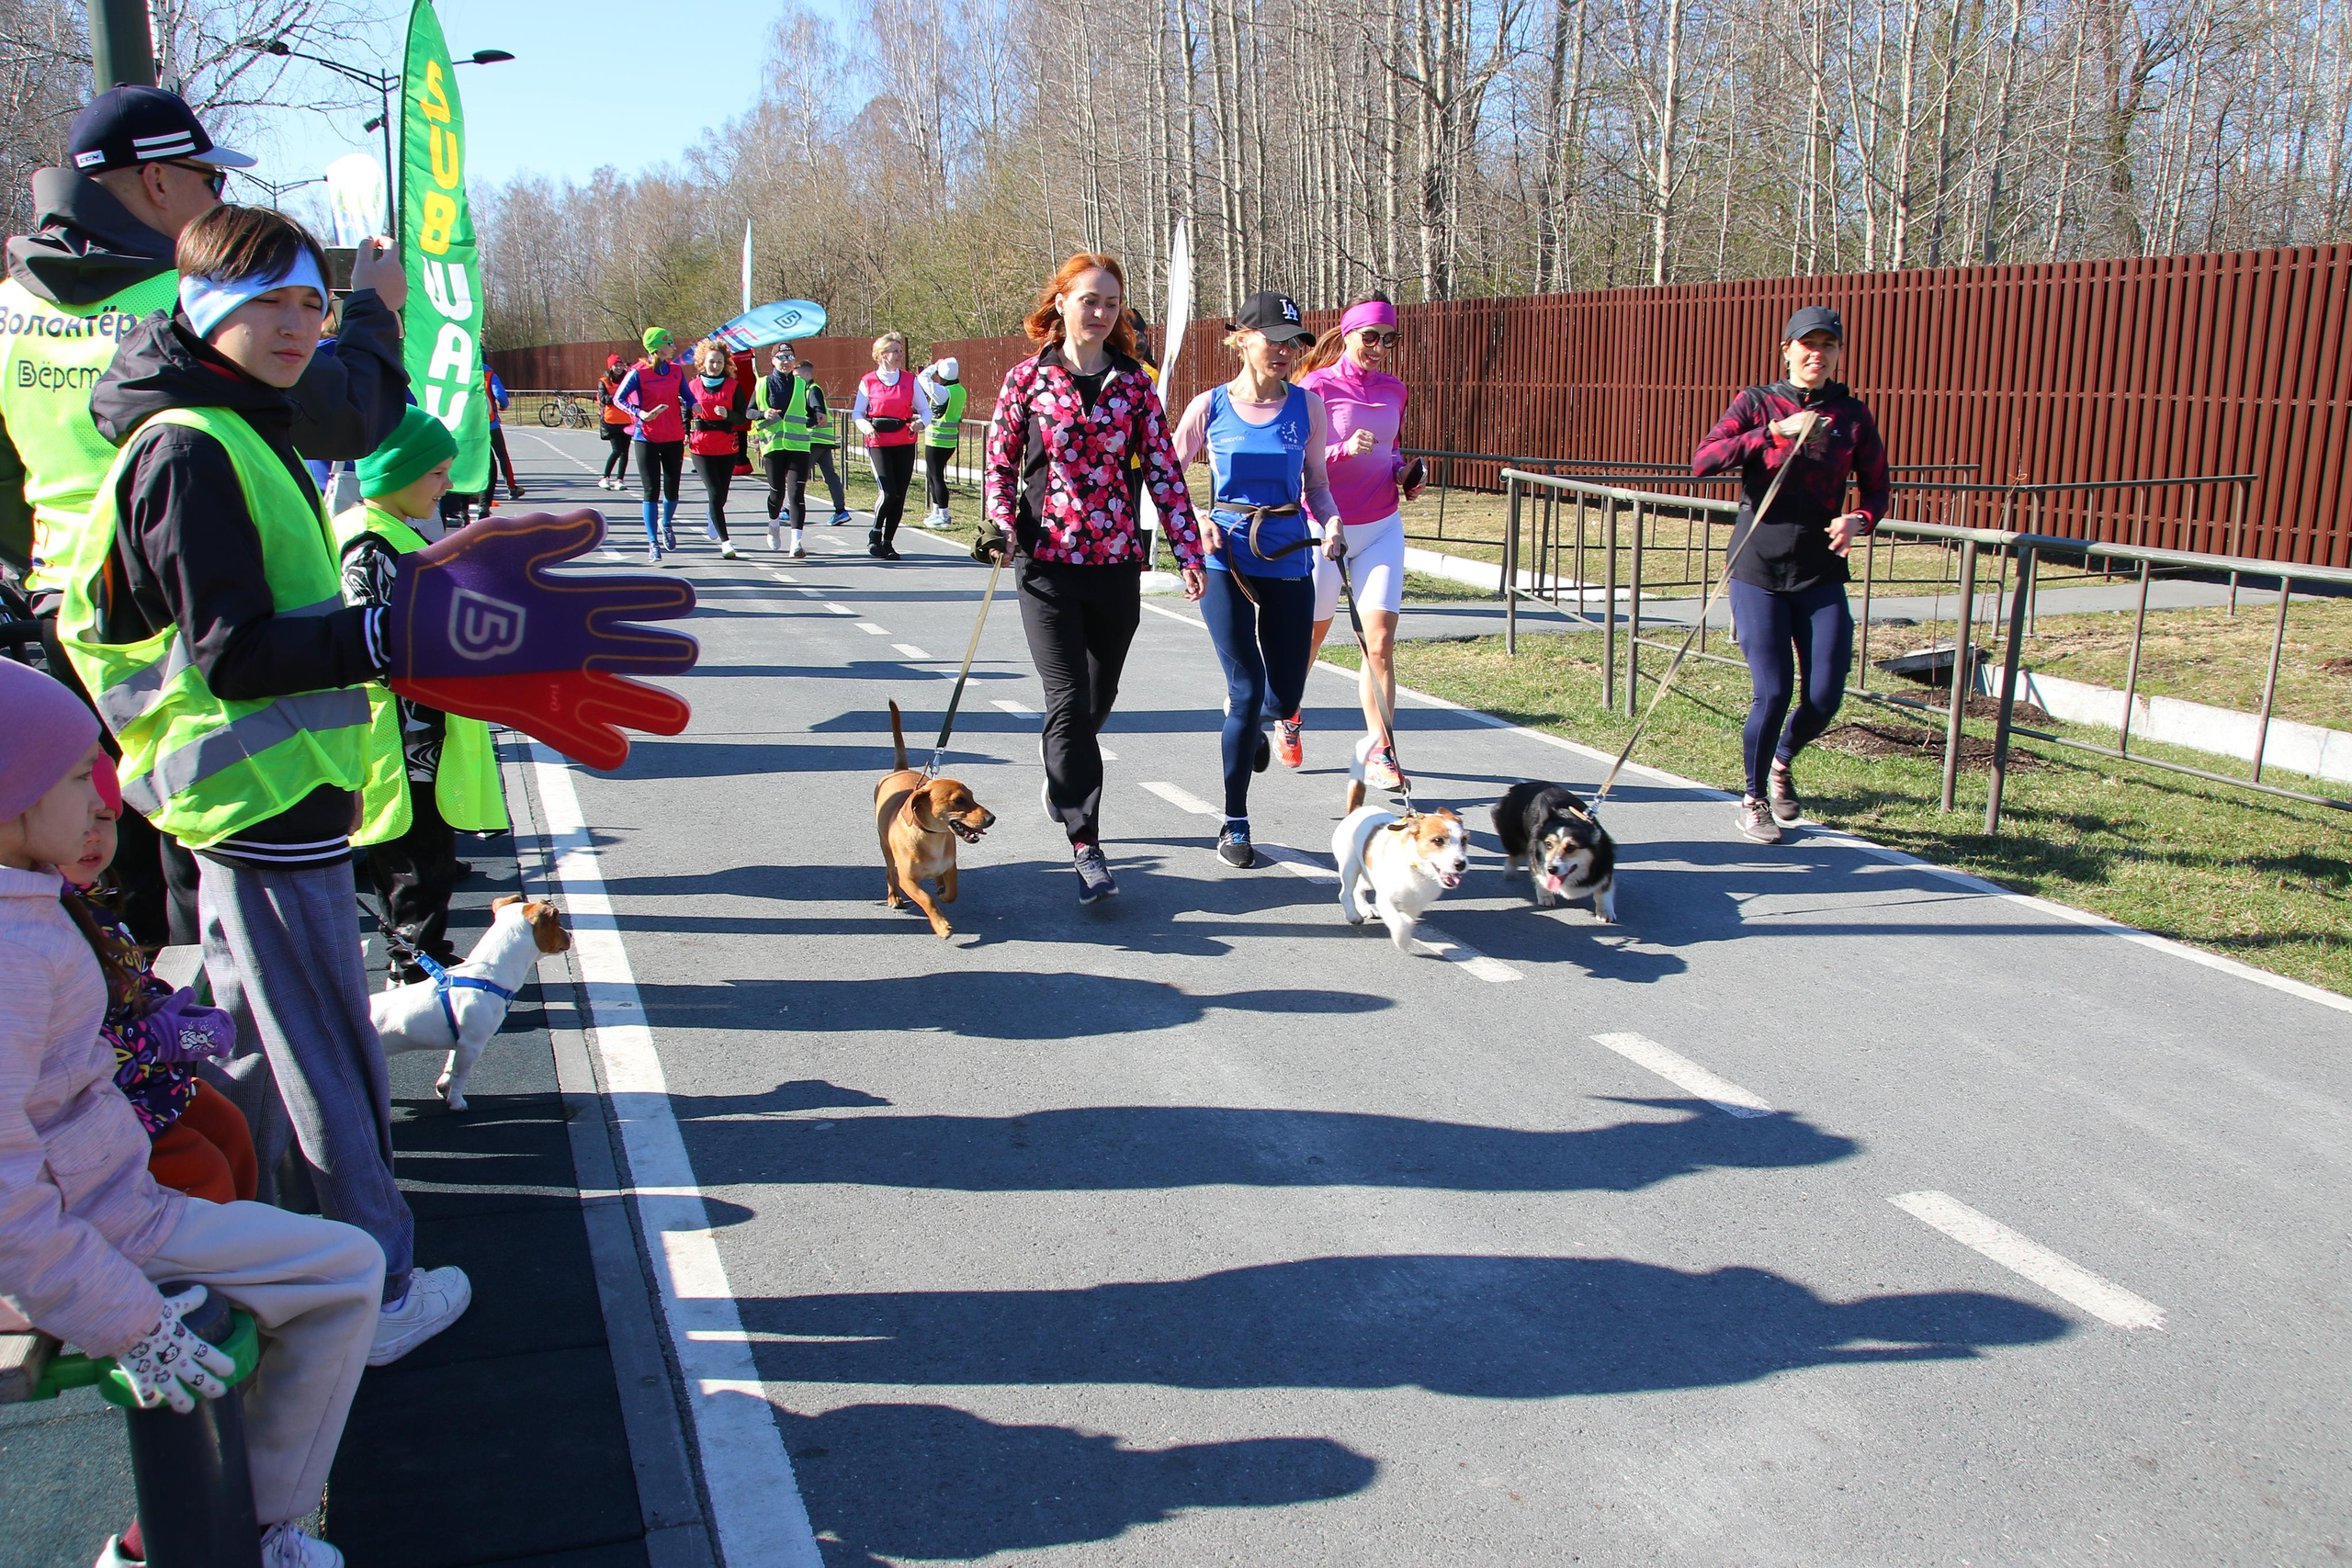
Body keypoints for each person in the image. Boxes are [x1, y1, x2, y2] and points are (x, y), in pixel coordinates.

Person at [55, 203, 471, 1366]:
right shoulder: (194, 445)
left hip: (258, 795)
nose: (298, 325)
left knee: (250, 1037)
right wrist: (387, 638)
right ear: (204, 310)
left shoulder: (228, 425)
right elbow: (235, 654)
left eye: (310, 303)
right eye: (268, 302)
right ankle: (372, 1294)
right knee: (321, 1051)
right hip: (258, 795)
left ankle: (269, 1254)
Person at [1, 84, 408, 950]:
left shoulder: (11, 304)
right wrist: (371, 309)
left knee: (87, 859)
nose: (218, 201)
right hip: (199, 616)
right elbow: (350, 414)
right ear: (156, 184)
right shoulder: (195, 290)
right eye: (207, 180)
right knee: (211, 873)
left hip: (69, 614)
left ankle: (117, 1041)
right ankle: (195, 1055)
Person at [0, 657, 383, 1568]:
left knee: (313, 1255)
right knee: (347, 1272)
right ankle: (241, 1529)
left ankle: (196, 1530)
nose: (100, 801)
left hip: (100, 1204)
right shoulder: (12, 951)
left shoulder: (28, 907)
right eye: (71, 777)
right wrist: (126, 1320)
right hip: (97, 1230)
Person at [977, 252, 1206, 904]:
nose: (1101, 313)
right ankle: (1086, 842)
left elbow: (1164, 471)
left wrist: (1188, 550)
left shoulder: (1135, 385)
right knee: (1068, 699)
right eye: (1089, 300)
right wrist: (1000, 525)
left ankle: (1062, 771)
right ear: (1061, 304)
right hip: (1045, 563)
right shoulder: (1027, 380)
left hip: (1113, 565)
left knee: (1096, 702)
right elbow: (998, 465)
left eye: (1111, 303)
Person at [1690, 304, 1888, 844]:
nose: (1816, 355)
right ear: (1787, 349)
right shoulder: (1757, 403)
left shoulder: (1852, 415)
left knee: (1825, 694)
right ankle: (1754, 799)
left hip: (1820, 572)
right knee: (1772, 691)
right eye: (1807, 344)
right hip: (1758, 568)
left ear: (1838, 354)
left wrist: (1859, 520)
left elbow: (1877, 488)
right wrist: (1774, 431)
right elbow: (1704, 460)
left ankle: (1782, 759)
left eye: (1828, 346)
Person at [334, 407, 511, 980]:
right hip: (401, 735)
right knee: (415, 860)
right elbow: (373, 642)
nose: (446, 486)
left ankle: (425, 954)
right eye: (436, 474)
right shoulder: (370, 545)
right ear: (397, 473)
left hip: (414, 732)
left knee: (428, 856)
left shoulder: (389, 533)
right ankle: (415, 970)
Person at [1170, 291, 1340, 867]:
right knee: (1244, 692)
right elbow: (1166, 480)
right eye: (1275, 340)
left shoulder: (1308, 407)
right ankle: (1235, 822)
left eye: (1295, 343)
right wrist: (1196, 523)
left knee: (1285, 693)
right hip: (1226, 556)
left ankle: (1257, 726)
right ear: (1241, 339)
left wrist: (1333, 520)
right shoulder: (1209, 407)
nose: (1287, 353)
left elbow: (1316, 482)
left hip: (1291, 552)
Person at [1295, 293, 1424, 782]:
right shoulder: (1315, 387)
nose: (1379, 347)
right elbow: (1298, 461)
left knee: (1381, 642)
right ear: (1348, 334)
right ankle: (1289, 712)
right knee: (1311, 637)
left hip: (1381, 526)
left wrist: (1405, 473)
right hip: (1325, 526)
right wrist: (1342, 449)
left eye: (1388, 339)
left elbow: (1392, 451)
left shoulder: (1395, 389)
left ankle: (1381, 749)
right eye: (1370, 337)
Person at [616, 327, 687, 563]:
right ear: (656, 348)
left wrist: (695, 404)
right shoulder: (638, 372)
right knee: (651, 491)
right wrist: (640, 413)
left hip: (673, 436)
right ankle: (652, 542)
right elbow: (619, 399)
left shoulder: (676, 371)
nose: (674, 347)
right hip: (645, 437)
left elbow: (687, 394)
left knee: (672, 490)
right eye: (669, 343)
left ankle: (666, 523)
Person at [854, 331, 928, 560]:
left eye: (900, 351)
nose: (900, 355)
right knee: (888, 492)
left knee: (900, 494)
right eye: (895, 351)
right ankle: (875, 534)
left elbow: (925, 410)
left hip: (904, 442)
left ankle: (888, 542)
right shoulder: (868, 381)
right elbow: (857, 413)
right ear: (882, 355)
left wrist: (920, 423)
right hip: (878, 443)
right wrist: (867, 427)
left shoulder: (909, 380)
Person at [684, 339, 746, 559]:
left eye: (719, 361)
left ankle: (713, 512)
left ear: (725, 363)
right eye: (711, 361)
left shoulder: (733, 385)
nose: (715, 365)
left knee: (722, 494)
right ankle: (726, 542)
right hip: (701, 445)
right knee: (714, 491)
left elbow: (743, 415)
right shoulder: (692, 385)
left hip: (726, 445)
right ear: (703, 362)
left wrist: (728, 415)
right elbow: (684, 412)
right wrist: (685, 430)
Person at [753, 344, 813, 557]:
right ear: (773, 360)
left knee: (797, 493)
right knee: (776, 492)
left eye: (790, 357)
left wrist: (817, 417)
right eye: (781, 357)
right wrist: (763, 413)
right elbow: (749, 412)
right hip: (773, 446)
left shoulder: (800, 384)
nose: (786, 361)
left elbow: (811, 413)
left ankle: (796, 543)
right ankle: (774, 524)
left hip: (799, 446)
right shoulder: (763, 384)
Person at [800, 357, 852, 525]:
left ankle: (788, 509)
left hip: (814, 439)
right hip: (823, 440)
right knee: (830, 475)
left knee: (799, 475)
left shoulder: (812, 390)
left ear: (807, 373)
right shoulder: (808, 390)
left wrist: (802, 424)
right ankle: (840, 510)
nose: (794, 379)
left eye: (797, 375)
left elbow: (818, 414)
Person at [918, 356, 966, 530]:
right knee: (934, 475)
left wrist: (933, 366)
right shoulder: (960, 390)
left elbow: (922, 378)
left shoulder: (942, 392)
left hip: (936, 440)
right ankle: (936, 512)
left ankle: (944, 515)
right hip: (950, 440)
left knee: (936, 477)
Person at [481, 364, 522, 502]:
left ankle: (474, 491)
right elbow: (500, 394)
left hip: (472, 427)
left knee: (478, 458)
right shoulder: (489, 375)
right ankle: (511, 487)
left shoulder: (463, 373)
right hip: (491, 425)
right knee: (502, 456)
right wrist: (504, 404)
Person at [595, 352, 634, 490]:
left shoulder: (627, 379)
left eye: (620, 365)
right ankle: (605, 477)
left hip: (627, 420)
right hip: (611, 421)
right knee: (617, 450)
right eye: (615, 365)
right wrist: (618, 397)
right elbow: (603, 398)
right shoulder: (604, 381)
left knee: (625, 452)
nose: (618, 368)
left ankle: (620, 479)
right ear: (610, 367)